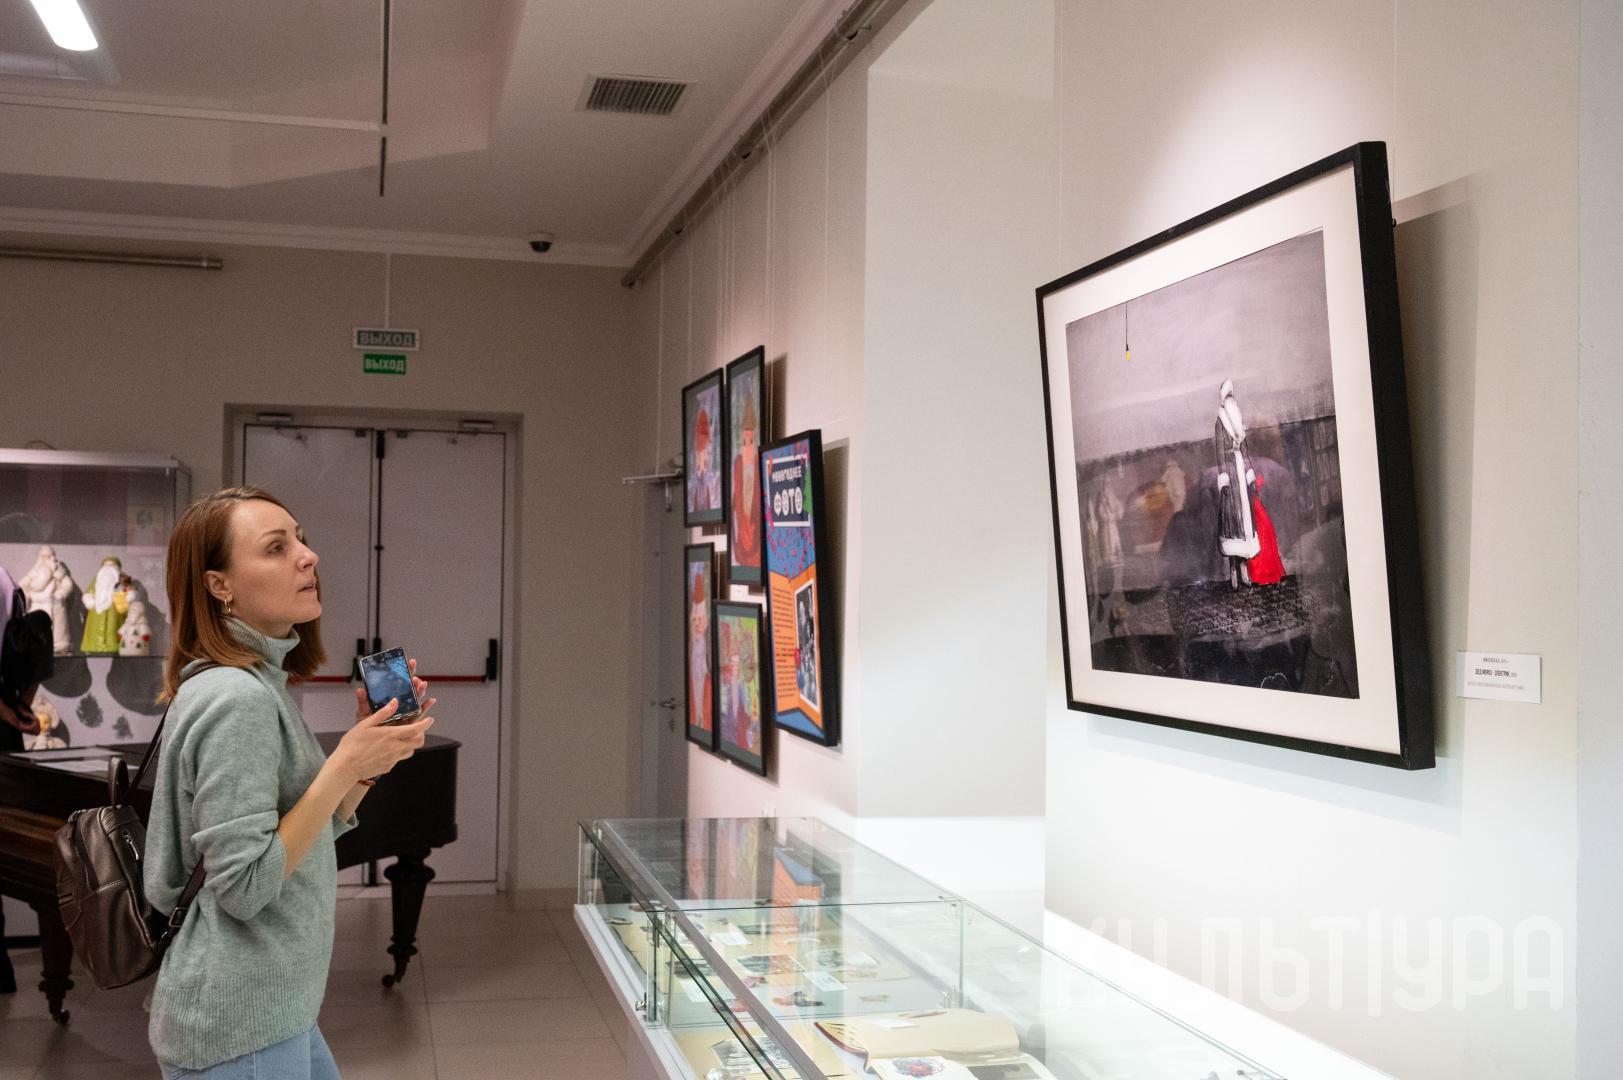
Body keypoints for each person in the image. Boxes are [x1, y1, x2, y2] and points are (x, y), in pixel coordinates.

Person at [144, 487, 437, 1079]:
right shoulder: (237, 699)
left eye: (300, 540)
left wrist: (365, 764)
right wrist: (341, 764)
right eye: (276, 548)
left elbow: (300, 840)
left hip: (274, 1011)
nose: (308, 556)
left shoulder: (257, 683)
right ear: (219, 585)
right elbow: (246, 887)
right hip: (238, 1026)